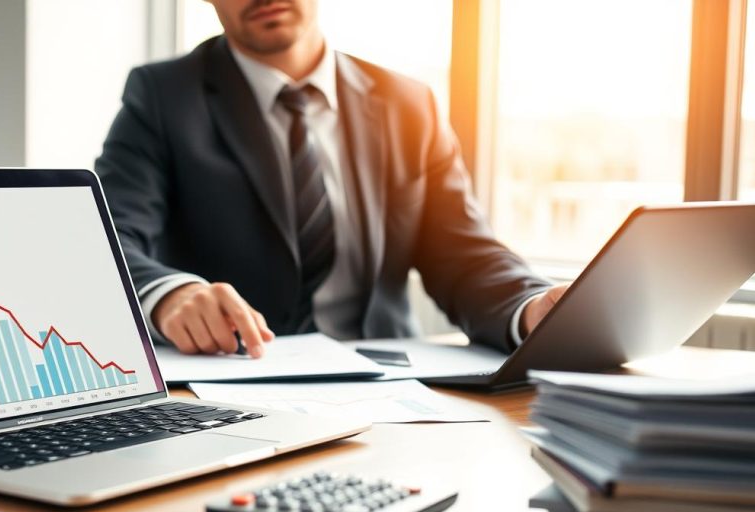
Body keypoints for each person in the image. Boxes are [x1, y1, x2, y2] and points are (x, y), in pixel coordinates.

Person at [96, 0, 567, 359]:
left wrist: (533, 307)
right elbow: (108, 235)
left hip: (391, 389)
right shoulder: (162, 97)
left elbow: (463, 256)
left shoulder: (408, 104)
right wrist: (170, 293)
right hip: (234, 379)